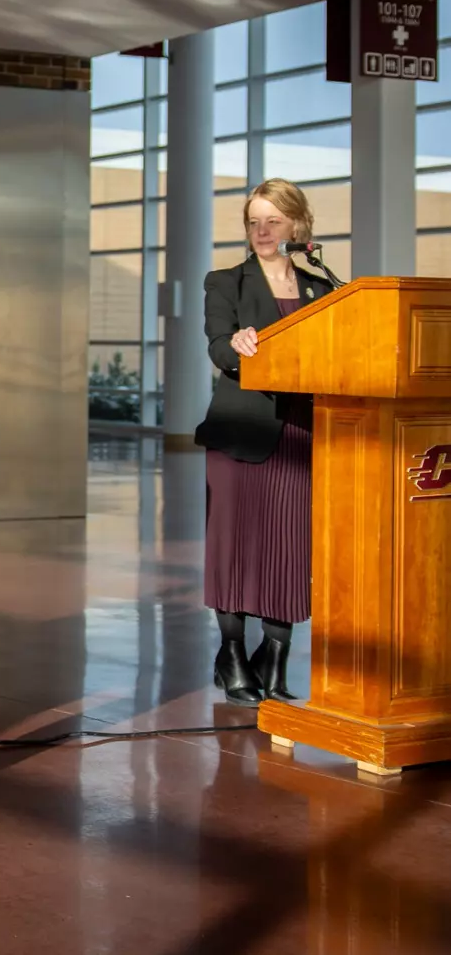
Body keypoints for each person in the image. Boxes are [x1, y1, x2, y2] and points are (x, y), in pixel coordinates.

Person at [196, 178, 333, 705]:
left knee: (289, 550)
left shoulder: (322, 289)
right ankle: (231, 655)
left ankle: (274, 657)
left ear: (297, 224)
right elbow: (219, 345)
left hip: (300, 434)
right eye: (254, 221)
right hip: (240, 434)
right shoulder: (225, 282)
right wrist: (235, 343)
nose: (262, 230)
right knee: (232, 547)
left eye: (273, 220)